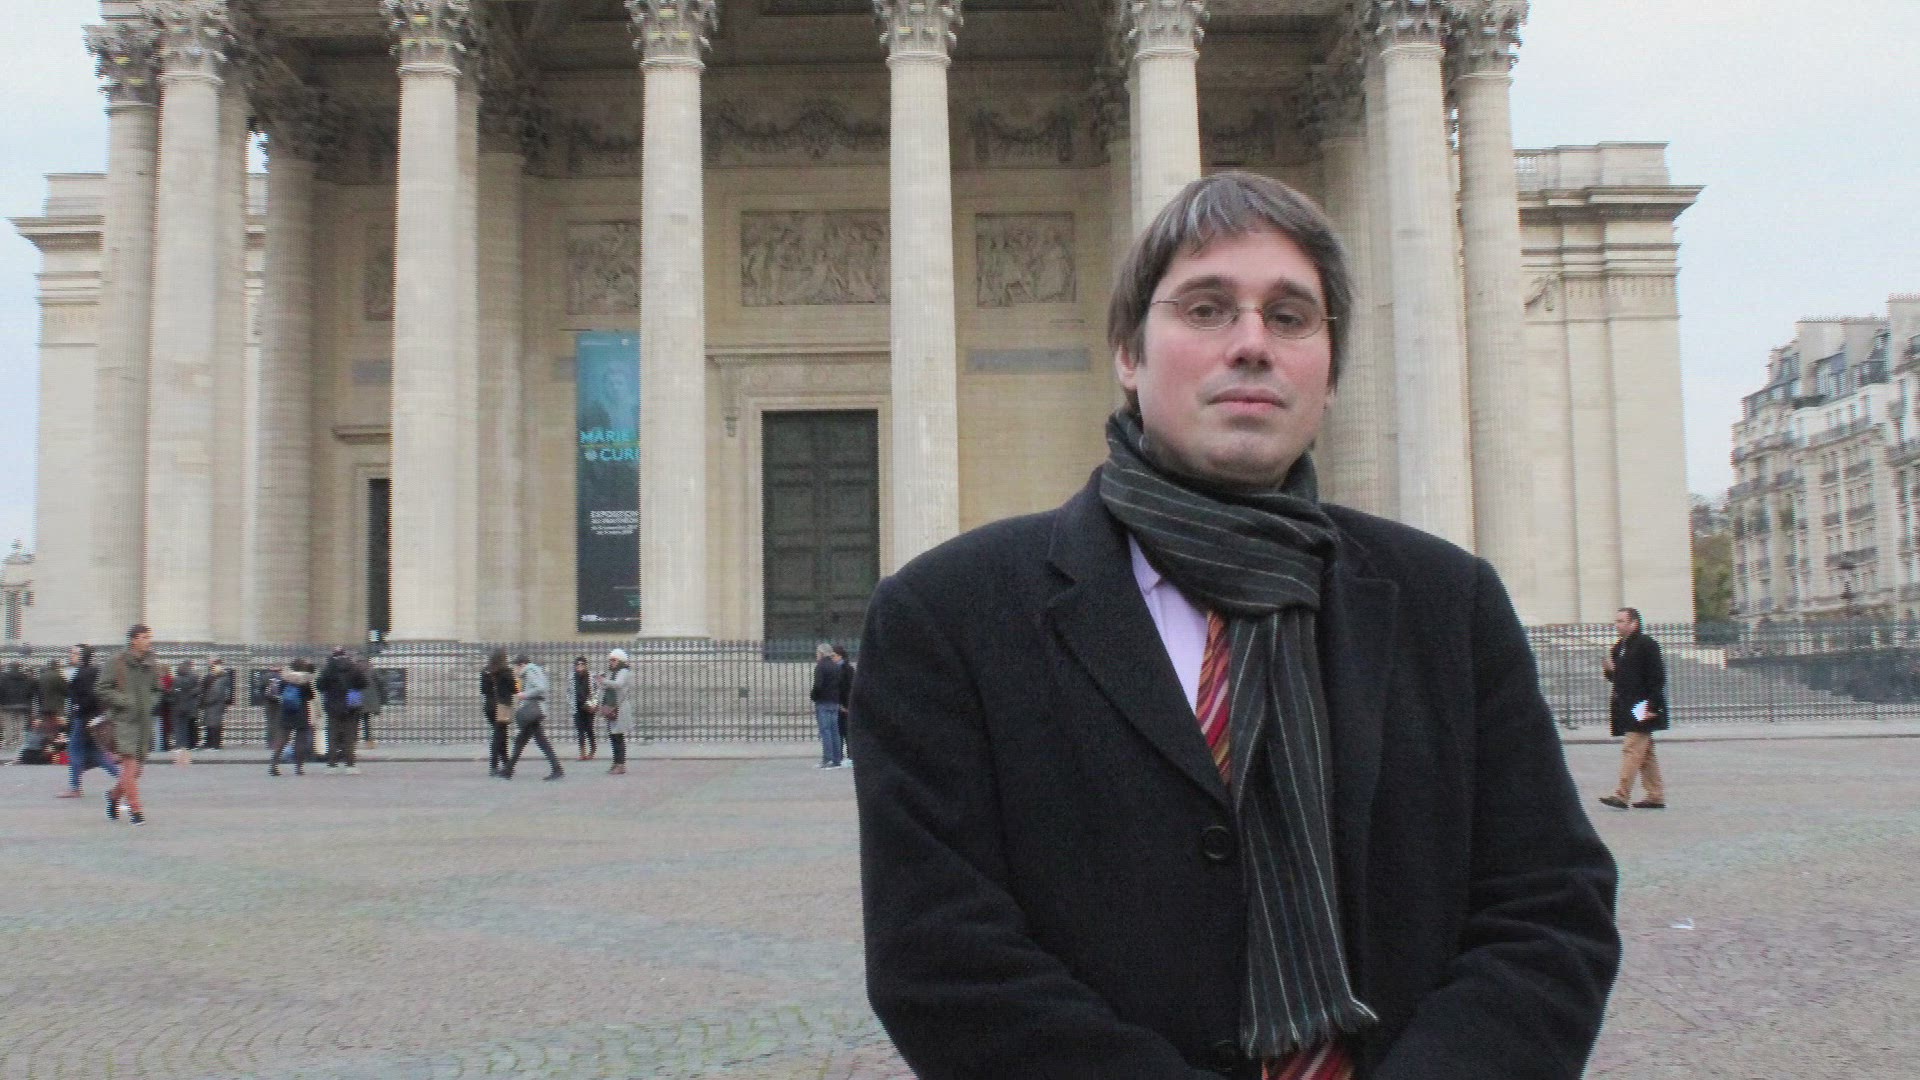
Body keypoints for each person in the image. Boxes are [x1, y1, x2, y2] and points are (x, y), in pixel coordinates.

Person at [848, 172, 1619, 1080]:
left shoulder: (1451, 604)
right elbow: (941, 959)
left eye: (1290, 317)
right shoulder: (948, 618)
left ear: (1330, 370)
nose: (1252, 343)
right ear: (1127, 354)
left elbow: (1549, 909)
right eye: (1206, 308)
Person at [1599, 607, 1670, 810]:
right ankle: (1655, 795)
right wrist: (1609, 671)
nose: (1617, 625)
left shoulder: (1646, 644)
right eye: (1616, 621)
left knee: (1632, 748)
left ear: (1634, 623)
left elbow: (1657, 677)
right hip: (1626, 704)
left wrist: (1652, 706)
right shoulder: (1620, 647)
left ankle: (1621, 795)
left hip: (1642, 704)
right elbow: (1620, 679)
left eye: (1621, 621)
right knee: (1646, 753)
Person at [97, 625, 161, 825]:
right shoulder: (116, 662)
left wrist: (150, 702)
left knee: (136, 771)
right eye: (144, 637)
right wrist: (123, 701)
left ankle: (113, 795)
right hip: (122, 721)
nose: (148, 641)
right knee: (130, 765)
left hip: (144, 722)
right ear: (133, 640)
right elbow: (102, 688)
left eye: (149, 637)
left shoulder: (152, 663)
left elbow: (157, 689)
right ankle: (136, 810)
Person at [57, 646, 117, 798]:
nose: (72, 656)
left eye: (75, 653)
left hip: (83, 718)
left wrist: (78, 707)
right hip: (94, 716)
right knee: (97, 754)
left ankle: (75, 787)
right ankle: (124, 779)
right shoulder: (96, 671)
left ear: (82, 656)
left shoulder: (83, 673)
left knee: (74, 751)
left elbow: (85, 697)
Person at [501, 654, 564, 781]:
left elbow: (540, 688)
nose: (515, 670)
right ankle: (508, 770)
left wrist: (525, 694)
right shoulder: (534, 670)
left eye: (516, 667)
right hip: (534, 710)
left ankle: (557, 769)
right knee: (525, 741)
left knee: (535, 742)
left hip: (532, 710)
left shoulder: (530, 671)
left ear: (522, 665)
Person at [317, 647, 370, 773]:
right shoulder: (354, 667)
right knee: (350, 736)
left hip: (333, 704)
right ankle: (350, 765)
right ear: (345, 655)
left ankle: (332, 765)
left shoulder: (328, 668)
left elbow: (320, 686)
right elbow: (364, 684)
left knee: (332, 735)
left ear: (333, 655)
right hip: (352, 703)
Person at [268, 658, 316, 777]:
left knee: (282, 739)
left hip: (286, 712)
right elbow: (311, 696)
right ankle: (299, 768)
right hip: (301, 713)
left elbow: (278, 693)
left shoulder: (285, 679)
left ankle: (274, 765)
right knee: (300, 741)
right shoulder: (305, 680)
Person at [809, 643, 846, 769]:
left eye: (817, 652)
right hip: (834, 700)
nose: (816, 655)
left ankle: (827, 758)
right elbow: (840, 684)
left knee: (825, 731)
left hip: (824, 701)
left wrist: (814, 696)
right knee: (834, 731)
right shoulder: (836, 666)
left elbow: (818, 685)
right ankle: (837, 759)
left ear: (821, 653)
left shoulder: (821, 666)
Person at [482, 649, 517, 777]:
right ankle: (494, 765)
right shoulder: (506, 671)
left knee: (499, 734)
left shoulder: (485, 671)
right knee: (500, 736)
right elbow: (515, 689)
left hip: (489, 706)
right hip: (503, 706)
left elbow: (483, 690)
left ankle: (506, 763)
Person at [601, 648, 633, 775]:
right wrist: (601, 682)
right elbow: (608, 685)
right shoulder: (612, 672)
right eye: (610, 660)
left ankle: (621, 765)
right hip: (611, 706)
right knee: (613, 736)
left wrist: (604, 681)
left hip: (619, 708)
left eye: (614, 660)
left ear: (620, 660)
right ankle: (615, 763)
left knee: (618, 737)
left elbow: (618, 684)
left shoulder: (624, 671)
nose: (611, 662)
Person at [0, 658, 37, 760]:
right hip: (22, 704)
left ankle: (9, 741)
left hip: (7, 704)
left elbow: (1, 689)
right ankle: (19, 741)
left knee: (8, 723)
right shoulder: (26, 677)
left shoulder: (3, 677)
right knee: (20, 722)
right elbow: (29, 691)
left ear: (9, 667)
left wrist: (2, 701)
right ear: (19, 667)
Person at [169, 658, 202, 764]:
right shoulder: (194, 677)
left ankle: (179, 745)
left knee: (178, 727)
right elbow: (199, 689)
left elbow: (174, 693)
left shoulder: (177, 679)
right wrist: (191, 694)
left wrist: (173, 696)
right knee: (186, 726)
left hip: (178, 706)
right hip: (189, 706)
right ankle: (186, 745)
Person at [199, 657, 234, 751]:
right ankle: (210, 744)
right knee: (210, 724)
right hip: (213, 704)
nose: (211, 666)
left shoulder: (221, 679)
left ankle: (214, 745)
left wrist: (206, 700)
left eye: (213, 664)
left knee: (214, 725)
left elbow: (216, 693)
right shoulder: (215, 676)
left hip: (214, 704)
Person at [832, 644, 856, 766]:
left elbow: (849, 688)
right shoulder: (834, 668)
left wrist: (846, 705)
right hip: (837, 703)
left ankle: (851, 755)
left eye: (834, 656)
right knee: (838, 731)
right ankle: (839, 754)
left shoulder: (848, 669)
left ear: (840, 656)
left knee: (846, 731)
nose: (832, 658)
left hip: (845, 704)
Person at [571, 656, 597, 761]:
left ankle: (592, 750)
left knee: (589, 728)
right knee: (580, 730)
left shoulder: (591, 677)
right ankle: (582, 753)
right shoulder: (572, 677)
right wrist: (571, 703)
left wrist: (593, 704)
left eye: (582, 664)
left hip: (589, 706)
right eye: (578, 664)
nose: (580, 666)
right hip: (577, 706)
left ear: (586, 665)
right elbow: (568, 692)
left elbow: (597, 691)